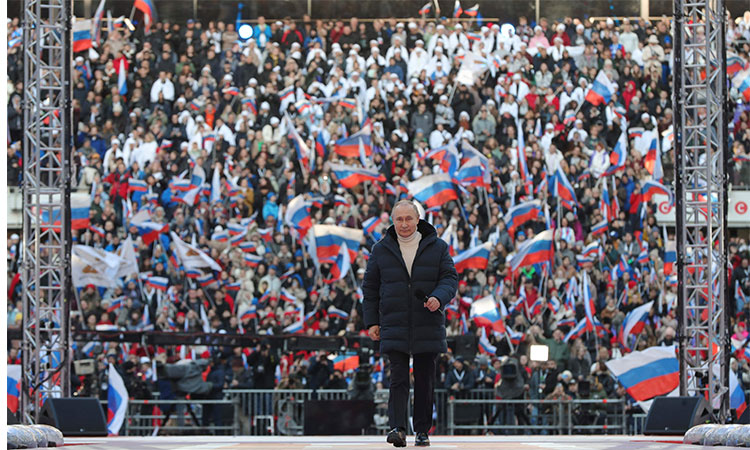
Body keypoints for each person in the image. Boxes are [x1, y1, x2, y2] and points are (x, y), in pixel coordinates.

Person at [363, 199, 458, 448]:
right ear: (392, 222)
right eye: (399, 219)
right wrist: (371, 321)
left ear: (418, 220)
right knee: (398, 378)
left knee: (425, 379)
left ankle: (422, 431)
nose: (404, 224)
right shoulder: (380, 249)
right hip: (394, 323)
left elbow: (450, 278)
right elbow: (370, 288)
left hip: (427, 321)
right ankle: (398, 428)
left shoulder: (438, 247)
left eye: (408, 219)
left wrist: (438, 297)